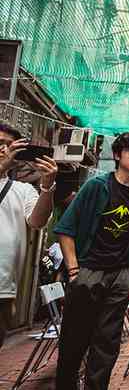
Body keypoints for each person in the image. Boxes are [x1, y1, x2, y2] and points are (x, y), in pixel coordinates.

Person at [51, 132, 129, 390]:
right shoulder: (96, 187)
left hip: (120, 277)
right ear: (118, 155)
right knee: (74, 343)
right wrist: (74, 271)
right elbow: (65, 229)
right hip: (88, 273)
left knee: (106, 348)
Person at [0, 123, 58, 349]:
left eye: (9, 146)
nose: (4, 150)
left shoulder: (22, 190)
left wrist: (47, 186)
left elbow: (37, 221)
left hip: (3, 287)